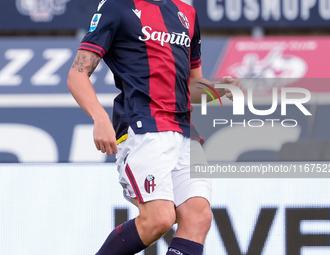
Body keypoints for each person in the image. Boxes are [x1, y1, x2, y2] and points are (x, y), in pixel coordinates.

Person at [67, 0, 241, 254]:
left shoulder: (187, 12)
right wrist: (100, 117)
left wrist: (214, 89)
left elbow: (191, 87)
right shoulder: (117, 7)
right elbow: (76, 74)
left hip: (185, 132)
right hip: (144, 129)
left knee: (198, 218)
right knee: (158, 219)